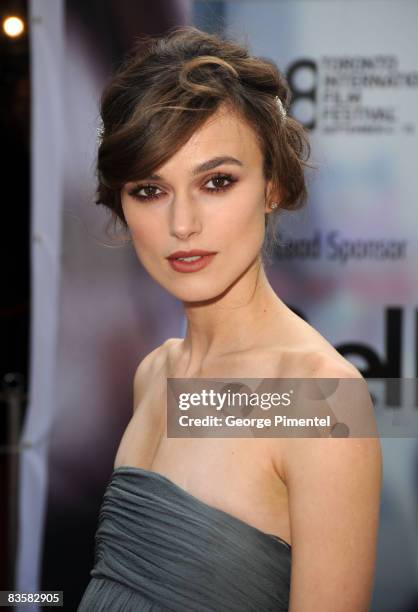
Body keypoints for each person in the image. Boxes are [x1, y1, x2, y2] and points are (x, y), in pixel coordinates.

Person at [77, 25, 382, 611]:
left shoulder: (319, 398)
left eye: (216, 182)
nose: (182, 223)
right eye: (149, 189)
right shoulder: (155, 373)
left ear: (272, 185)